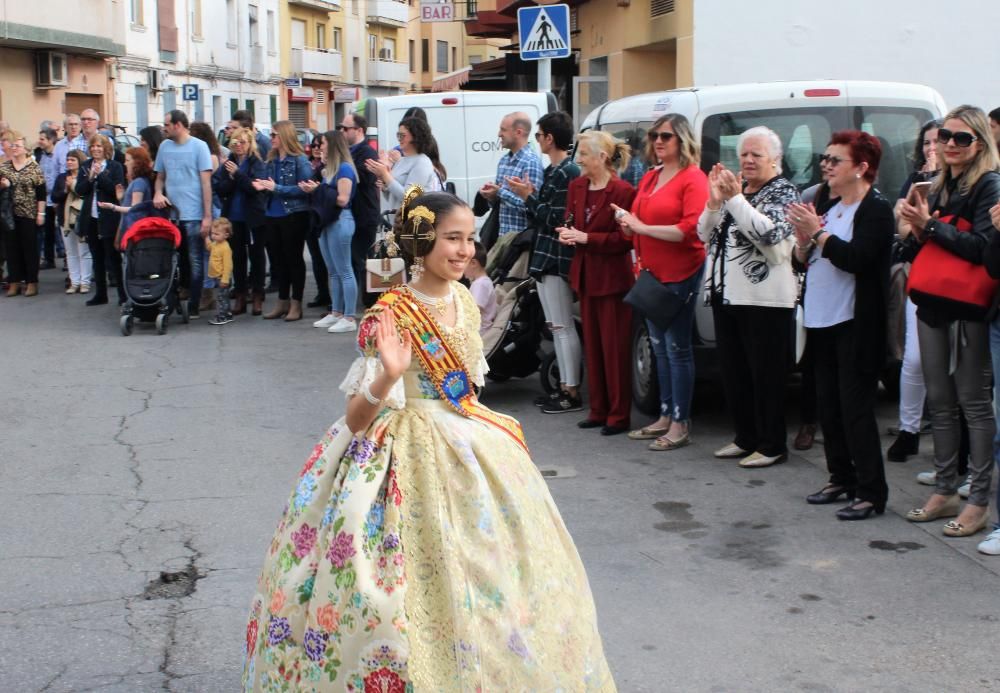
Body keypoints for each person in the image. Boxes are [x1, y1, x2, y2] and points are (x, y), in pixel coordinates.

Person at [241, 186, 615, 691]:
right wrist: (386, 375)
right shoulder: (391, 311)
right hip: (396, 449)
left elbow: (471, 385)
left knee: (494, 577)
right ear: (421, 241)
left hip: (468, 447)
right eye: (451, 239)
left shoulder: (463, 297)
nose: (464, 250)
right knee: (396, 584)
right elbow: (355, 419)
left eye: (469, 239)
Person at [899, 105, 1000, 536]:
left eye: (962, 138)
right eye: (945, 137)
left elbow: (982, 248)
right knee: (939, 400)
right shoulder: (941, 182)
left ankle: (978, 500)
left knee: (973, 404)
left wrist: (931, 227)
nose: (951, 145)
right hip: (934, 299)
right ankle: (944, 489)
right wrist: (918, 229)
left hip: (968, 306)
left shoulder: (990, 184)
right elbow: (925, 244)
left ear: (981, 142)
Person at [790, 130, 894, 521]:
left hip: (855, 323)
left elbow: (857, 259)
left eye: (836, 160)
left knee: (855, 410)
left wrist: (815, 234)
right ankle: (840, 477)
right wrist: (803, 242)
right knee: (828, 407)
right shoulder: (825, 202)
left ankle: (871, 491)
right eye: (825, 158)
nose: (826, 166)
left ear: (862, 168)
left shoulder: (876, 210)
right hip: (821, 318)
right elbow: (803, 261)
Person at [698, 126, 800, 468]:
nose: (748, 160)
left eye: (757, 155)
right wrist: (715, 202)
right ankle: (746, 437)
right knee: (735, 373)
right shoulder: (735, 194)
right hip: (729, 297)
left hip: (765, 301)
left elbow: (770, 237)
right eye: (744, 154)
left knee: (765, 375)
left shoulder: (784, 192)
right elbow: (704, 234)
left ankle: (772, 444)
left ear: (776, 160)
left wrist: (735, 199)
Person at [614, 113, 709, 450]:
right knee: (659, 348)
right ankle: (666, 415)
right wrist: (630, 225)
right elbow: (642, 219)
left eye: (665, 136)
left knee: (677, 348)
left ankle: (680, 422)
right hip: (652, 274)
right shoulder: (653, 176)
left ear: (682, 140)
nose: (657, 141)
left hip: (680, 272)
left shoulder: (693, 179)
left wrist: (641, 228)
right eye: (654, 135)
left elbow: (690, 231)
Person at [559, 131, 636, 436]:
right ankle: (598, 409)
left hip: (613, 278)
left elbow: (625, 239)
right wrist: (566, 232)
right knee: (594, 347)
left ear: (602, 158)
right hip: (586, 275)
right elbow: (570, 220)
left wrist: (587, 238)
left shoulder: (623, 191)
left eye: (584, 155)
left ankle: (618, 415)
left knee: (615, 350)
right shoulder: (577, 186)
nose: (578, 160)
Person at [507, 111, 582, 413]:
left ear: (550, 138)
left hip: (555, 257)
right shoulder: (556, 171)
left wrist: (528, 197)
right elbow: (544, 215)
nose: (537, 140)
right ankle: (565, 386)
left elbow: (558, 219)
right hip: (546, 256)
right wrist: (528, 197)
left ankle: (571, 390)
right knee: (557, 325)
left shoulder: (566, 172)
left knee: (562, 326)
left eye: (538, 135)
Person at [888, 118, 941, 462]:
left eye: (939, 141)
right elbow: (904, 226)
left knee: (949, 367)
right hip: (921, 274)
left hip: (953, 282)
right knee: (914, 359)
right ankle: (908, 430)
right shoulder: (915, 180)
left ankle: (947, 442)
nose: (932, 148)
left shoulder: (965, 183)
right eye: (927, 142)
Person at [154, 109, 214, 318]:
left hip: (194, 214)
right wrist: (157, 193)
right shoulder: (164, 147)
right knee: (173, 261)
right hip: (171, 215)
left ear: (178, 125)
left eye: (167, 124)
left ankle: (195, 304)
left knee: (195, 260)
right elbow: (160, 176)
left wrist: (207, 216)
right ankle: (174, 298)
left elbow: (206, 183)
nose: (164, 128)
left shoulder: (199, 147)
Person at [253, 120, 313, 322]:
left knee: (294, 259)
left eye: (274, 135)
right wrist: (263, 186)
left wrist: (276, 188)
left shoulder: (299, 160)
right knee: (278, 261)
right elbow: (270, 185)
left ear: (284, 136)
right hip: (273, 214)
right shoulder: (271, 160)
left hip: (293, 214)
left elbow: (305, 188)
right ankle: (282, 301)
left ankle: (296, 303)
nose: (271, 139)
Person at [303, 130, 359, 334]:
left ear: (333, 145)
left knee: (344, 270)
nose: (320, 147)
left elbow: (343, 199)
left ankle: (349, 316)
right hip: (329, 221)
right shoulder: (331, 169)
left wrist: (317, 190)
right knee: (333, 270)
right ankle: (336, 312)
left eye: (323, 143)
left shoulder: (344, 169)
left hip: (341, 220)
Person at [214, 126, 267, 316]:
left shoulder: (256, 162)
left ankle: (258, 295)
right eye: (235, 142)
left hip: (253, 217)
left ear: (250, 143)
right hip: (234, 217)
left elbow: (254, 188)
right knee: (237, 257)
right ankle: (240, 295)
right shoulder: (228, 163)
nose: (239, 146)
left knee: (257, 256)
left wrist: (237, 175)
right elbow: (220, 188)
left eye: (243, 142)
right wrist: (230, 178)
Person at [76, 134, 125, 305]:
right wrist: (90, 178)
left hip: (109, 217)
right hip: (92, 218)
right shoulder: (85, 166)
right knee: (96, 257)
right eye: (93, 146)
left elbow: (116, 191)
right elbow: (79, 190)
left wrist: (101, 175)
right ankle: (101, 294)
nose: (95, 149)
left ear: (106, 149)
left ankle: (122, 295)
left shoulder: (115, 166)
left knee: (113, 258)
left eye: (99, 146)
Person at [479, 112, 543, 237]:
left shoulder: (531, 162)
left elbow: (532, 208)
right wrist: (490, 195)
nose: (499, 134)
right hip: (502, 237)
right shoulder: (504, 161)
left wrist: (500, 192)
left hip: (520, 240)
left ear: (518, 133)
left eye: (503, 130)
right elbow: (499, 204)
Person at [339, 112, 380, 306]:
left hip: (364, 215)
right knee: (351, 260)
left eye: (346, 128)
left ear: (359, 130)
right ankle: (352, 302)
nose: (342, 131)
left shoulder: (366, 152)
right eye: (342, 128)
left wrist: (345, 169)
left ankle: (365, 302)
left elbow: (366, 178)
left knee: (360, 260)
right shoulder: (349, 152)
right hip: (352, 215)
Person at [0, 131, 47, 297]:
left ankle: (31, 282)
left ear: (26, 149)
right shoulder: (4, 167)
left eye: (18, 146)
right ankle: (14, 282)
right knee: (12, 249)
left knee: (29, 248)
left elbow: (41, 193)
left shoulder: (34, 168)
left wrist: (41, 213)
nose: (14, 149)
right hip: (8, 213)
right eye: (12, 146)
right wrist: (3, 185)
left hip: (28, 213)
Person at [365, 116, 443, 213]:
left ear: (416, 136)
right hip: (398, 221)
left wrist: (385, 175)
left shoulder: (422, 162)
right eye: (398, 135)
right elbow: (392, 198)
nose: (399, 139)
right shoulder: (401, 161)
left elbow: (409, 197)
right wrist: (385, 185)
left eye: (403, 135)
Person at [190, 121, 227, 311]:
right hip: (204, 205)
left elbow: (204, 182)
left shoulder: (211, 157)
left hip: (211, 206)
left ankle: (210, 292)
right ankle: (207, 291)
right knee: (204, 251)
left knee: (209, 251)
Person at [50, 149, 91, 293]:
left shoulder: (85, 176)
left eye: (72, 159)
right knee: (71, 252)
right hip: (65, 218)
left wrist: (73, 186)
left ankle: (85, 282)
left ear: (80, 161)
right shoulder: (61, 177)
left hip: (81, 218)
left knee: (84, 251)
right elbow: (55, 197)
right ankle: (74, 282)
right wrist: (66, 190)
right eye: (68, 159)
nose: (69, 162)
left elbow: (85, 193)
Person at [99, 147, 154, 246]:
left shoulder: (139, 182)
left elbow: (134, 209)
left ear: (137, 162)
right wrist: (121, 199)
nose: (125, 163)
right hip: (130, 227)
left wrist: (113, 207)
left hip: (134, 229)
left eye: (128, 160)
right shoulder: (138, 181)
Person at [304, 132, 332, 313]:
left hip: (323, 215)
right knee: (316, 258)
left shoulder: (326, 166)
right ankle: (322, 293)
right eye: (313, 146)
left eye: (319, 145)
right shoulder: (310, 165)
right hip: (311, 215)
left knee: (329, 261)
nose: (316, 149)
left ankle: (332, 298)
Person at [36, 127, 63, 270]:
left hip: (56, 197)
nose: (39, 141)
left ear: (51, 140)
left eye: (42, 139)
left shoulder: (57, 155)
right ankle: (48, 258)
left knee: (61, 228)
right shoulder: (40, 155)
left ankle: (64, 256)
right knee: (47, 229)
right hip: (44, 198)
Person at [205, 217, 234, 326]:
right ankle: (228, 314)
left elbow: (228, 265)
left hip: (223, 278)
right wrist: (206, 238)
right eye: (212, 233)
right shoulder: (216, 244)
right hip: (217, 277)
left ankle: (223, 316)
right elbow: (209, 247)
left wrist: (225, 279)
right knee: (223, 297)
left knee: (222, 298)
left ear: (226, 235)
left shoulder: (225, 248)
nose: (213, 236)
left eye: (216, 234)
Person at [464, 241, 496, 334]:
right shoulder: (481, 282)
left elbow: (474, 313)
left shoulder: (481, 285)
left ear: (473, 263)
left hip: (479, 333)